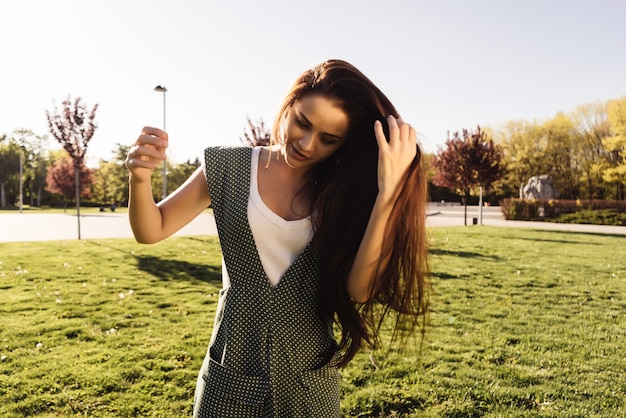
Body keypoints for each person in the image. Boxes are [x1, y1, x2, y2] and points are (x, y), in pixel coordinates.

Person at [125, 59, 429, 417]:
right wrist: (140, 178)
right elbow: (151, 229)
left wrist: (387, 195)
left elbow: (360, 290)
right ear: (290, 103)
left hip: (310, 388)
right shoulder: (226, 167)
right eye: (302, 122)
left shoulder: (344, 194)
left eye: (328, 140)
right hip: (230, 378)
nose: (306, 143)